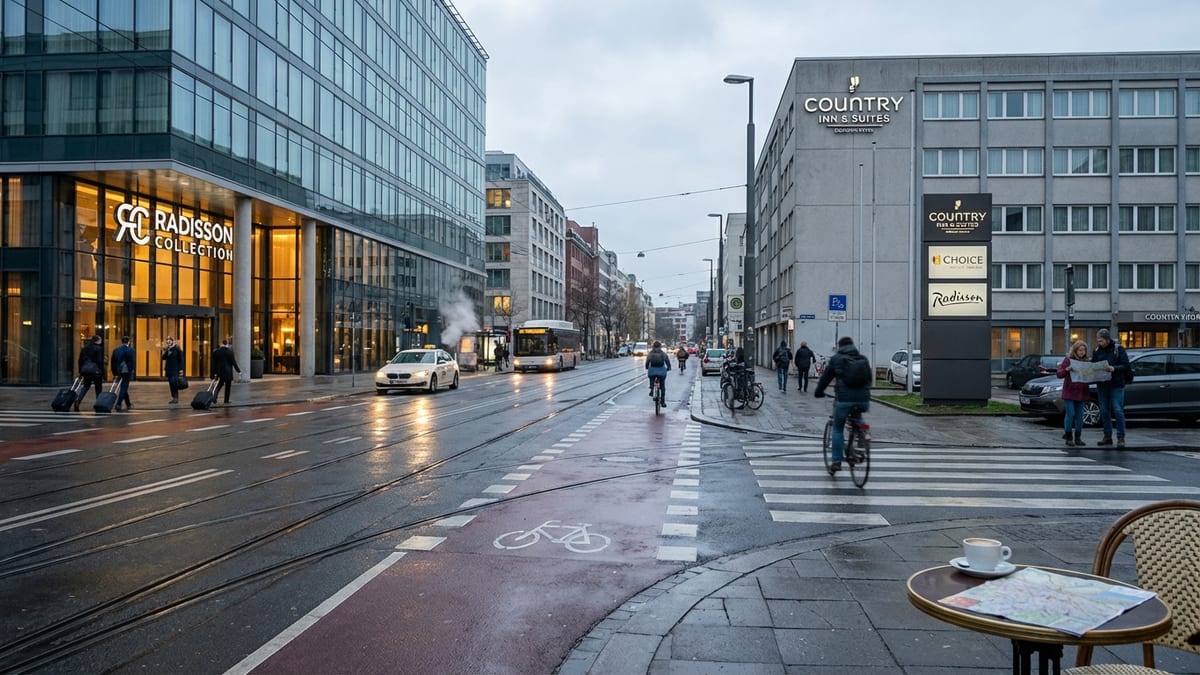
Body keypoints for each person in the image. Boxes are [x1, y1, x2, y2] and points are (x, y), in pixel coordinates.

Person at [812, 336, 871, 473]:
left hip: (844, 399)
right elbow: (869, 379)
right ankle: (863, 434)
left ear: (840, 346)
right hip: (863, 399)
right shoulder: (862, 359)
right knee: (858, 418)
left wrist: (819, 392)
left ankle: (836, 462)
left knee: (837, 428)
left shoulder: (836, 359)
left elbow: (825, 378)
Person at [1091, 328, 1130, 448]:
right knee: (1104, 411)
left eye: (1101, 340)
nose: (1099, 342)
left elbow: (1126, 365)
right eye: (1098, 340)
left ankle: (1121, 437)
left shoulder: (1118, 349)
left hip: (1116, 384)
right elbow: (1093, 365)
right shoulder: (1097, 350)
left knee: (1117, 410)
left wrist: (1114, 368)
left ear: (1107, 339)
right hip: (1102, 384)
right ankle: (1107, 436)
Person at [1057, 340, 1090, 447]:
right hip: (1070, 391)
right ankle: (1068, 437)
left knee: (1080, 416)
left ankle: (1078, 438)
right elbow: (1059, 374)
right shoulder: (1068, 359)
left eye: (1084, 350)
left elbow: (1090, 376)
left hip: (1081, 391)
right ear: (1075, 350)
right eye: (1080, 350)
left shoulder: (1087, 361)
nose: (1082, 352)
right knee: (1070, 414)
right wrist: (1067, 369)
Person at [76, 334, 105, 412]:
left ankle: (78, 400)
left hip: (86, 370)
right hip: (96, 371)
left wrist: (80, 371)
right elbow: (100, 361)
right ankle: (98, 404)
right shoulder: (99, 348)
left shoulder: (85, 348)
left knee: (86, 386)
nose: (101, 341)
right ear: (97, 340)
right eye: (100, 340)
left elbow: (80, 360)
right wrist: (102, 372)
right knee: (98, 387)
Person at [211, 339, 242, 405]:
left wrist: (213, 373)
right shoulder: (230, 352)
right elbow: (233, 362)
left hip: (220, 372)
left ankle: (214, 397)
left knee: (219, 385)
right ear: (227, 344)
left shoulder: (216, 352)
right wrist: (238, 370)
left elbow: (214, 364)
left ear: (221, 343)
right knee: (228, 387)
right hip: (228, 372)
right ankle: (226, 400)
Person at [110, 335, 136, 411]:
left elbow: (113, 362)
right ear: (129, 342)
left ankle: (128, 403)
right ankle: (118, 404)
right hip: (126, 370)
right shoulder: (131, 350)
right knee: (124, 387)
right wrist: (132, 370)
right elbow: (132, 361)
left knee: (123, 387)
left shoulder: (116, 350)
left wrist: (114, 372)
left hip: (118, 370)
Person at [162, 336, 184, 404]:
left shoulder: (177, 348)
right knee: (171, 384)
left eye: (169, 341)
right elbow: (163, 358)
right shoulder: (168, 349)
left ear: (172, 341)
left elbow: (181, 359)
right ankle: (174, 397)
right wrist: (166, 351)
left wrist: (181, 369)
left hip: (175, 369)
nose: (168, 343)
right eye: (167, 342)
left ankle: (176, 397)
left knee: (174, 383)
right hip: (169, 369)